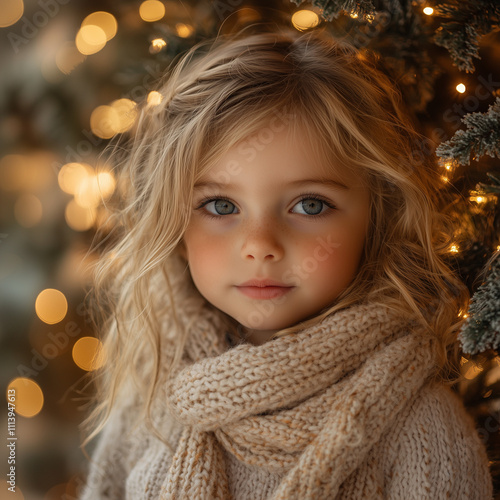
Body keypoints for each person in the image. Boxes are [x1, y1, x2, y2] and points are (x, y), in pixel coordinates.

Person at [79, 26, 493, 499]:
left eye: (310, 205)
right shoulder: (151, 399)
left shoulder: (421, 428)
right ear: (174, 222)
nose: (260, 245)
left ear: (377, 219)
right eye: (220, 206)